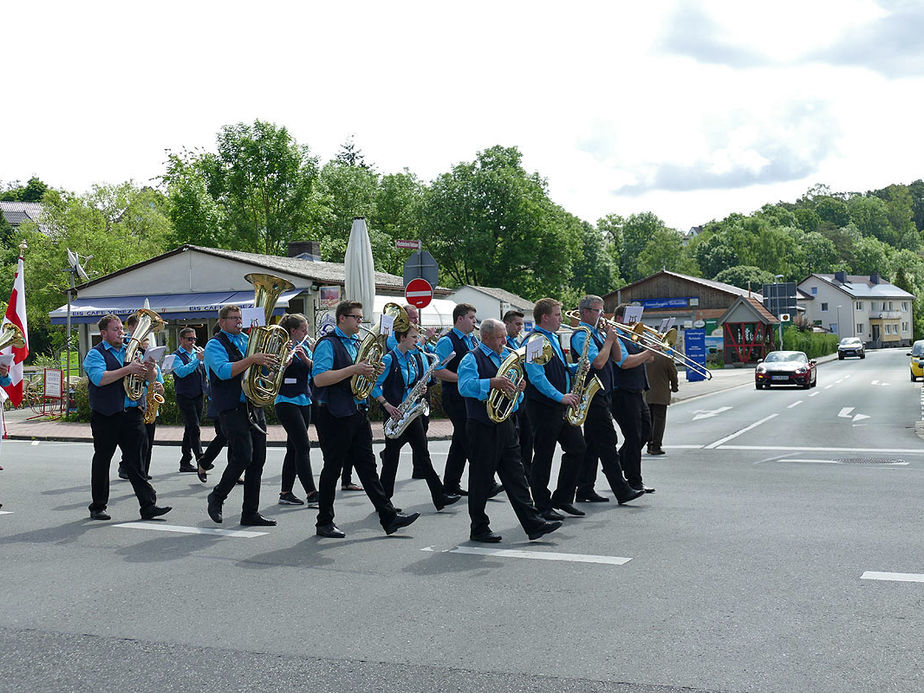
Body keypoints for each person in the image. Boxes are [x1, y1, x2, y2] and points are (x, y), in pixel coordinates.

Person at [311, 300, 419, 538]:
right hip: (333, 413)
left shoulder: (358, 343)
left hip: (357, 411)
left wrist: (373, 371)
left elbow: (362, 377)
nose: (361, 322)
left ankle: (388, 517)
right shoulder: (327, 344)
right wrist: (355, 370)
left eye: (361, 318)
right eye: (357, 318)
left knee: (368, 468)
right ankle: (324, 521)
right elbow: (319, 379)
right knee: (333, 468)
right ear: (342, 318)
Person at [457, 318, 562, 543]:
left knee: (517, 476)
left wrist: (520, 390)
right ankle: (479, 527)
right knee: (481, 479)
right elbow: (464, 387)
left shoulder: (507, 356)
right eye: (500, 337)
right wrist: (491, 383)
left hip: (505, 423)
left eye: (505, 336)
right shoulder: (471, 358)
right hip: (482, 426)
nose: (505, 341)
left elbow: (514, 396)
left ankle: (533, 524)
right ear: (485, 337)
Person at [83, 313, 170, 521]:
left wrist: (150, 373)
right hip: (107, 415)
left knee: (136, 462)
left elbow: (144, 378)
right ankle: (98, 506)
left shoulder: (132, 351)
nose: (121, 333)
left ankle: (148, 505)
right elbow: (99, 379)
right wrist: (127, 369)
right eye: (116, 330)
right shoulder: (95, 354)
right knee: (103, 460)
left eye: (122, 329)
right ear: (103, 333)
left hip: (132, 413)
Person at [372, 322, 460, 511]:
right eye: (413, 337)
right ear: (402, 338)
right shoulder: (388, 359)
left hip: (412, 413)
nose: (417, 341)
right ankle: (384, 502)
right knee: (392, 459)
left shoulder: (415, 357)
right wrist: (386, 404)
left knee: (423, 456)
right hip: (396, 414)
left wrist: (421, 388)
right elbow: (374, 385)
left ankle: (439, 496)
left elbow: (420, 380)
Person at [203, 304, 277, 526]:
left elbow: (259, 372)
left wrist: (275, 365)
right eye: (233, 318)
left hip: (253, 405)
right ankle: (217, 496)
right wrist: (252, 359)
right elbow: (224, 371)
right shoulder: (214, 344)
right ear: (222, 321)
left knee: (258, 461)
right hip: (231, 407)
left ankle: (250, 513)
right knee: (243, 456)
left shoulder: (246, 341)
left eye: (240, 318)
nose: (238, 321)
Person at [570, 296, 645, 505]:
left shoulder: (597, 333)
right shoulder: (581, 334)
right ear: (585, 312)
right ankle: (622, 490)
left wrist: (611, 336)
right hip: (593, 395)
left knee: (593, 444)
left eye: (603, 310)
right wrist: (609, 340)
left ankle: (584, 487)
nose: (602, 315)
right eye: (597, 311)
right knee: (608, 440)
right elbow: (599, 363)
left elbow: (616, 356)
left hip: (604, 393)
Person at [523, 298, 586, 520]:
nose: (561, 319)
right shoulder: (535, 341)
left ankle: (563, 498)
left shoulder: (552, 338)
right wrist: (561, 397)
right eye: (558, 315)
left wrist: (576, 366)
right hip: (544, 407)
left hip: (560, 405)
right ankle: (542, 504)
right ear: (545, 317)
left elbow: (556, 368)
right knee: (543, 456)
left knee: (578, 448)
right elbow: (536, 377)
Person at [434, 303, 481, 496]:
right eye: (471, 318)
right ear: (459, 319)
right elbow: (437, 370)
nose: (474, 321)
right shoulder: (447, 340)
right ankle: (486, 481)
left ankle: (451, 484)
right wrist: (462, 379)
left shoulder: (472, 340)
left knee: (460, 442)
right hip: (454, 397)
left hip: (467, 397)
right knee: (469, 439)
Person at [610, 304, 656, 494]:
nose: (635, 322)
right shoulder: (616, 337)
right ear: (619, 319)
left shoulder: (633, 335)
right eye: (631, 317)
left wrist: (650, 346)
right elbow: (625, 363)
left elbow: (650, 359)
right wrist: (647, 352)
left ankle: (619, 463)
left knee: (645, 432)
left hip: (637, 391)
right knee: (634, 436)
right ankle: (634, 481)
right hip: (622, 392)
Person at [273, 313, 318, 506]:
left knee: (293, 448)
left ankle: (285, 492)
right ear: (293, 331)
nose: (306, 333)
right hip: (285, 399)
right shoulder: (280, 347)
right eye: (303, 330)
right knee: (303, 445)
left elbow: (315, 371)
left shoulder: (305, 346)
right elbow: (271, 372)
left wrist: (307, 359)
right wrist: (285, 364)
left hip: (303, 399)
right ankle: (311, 493)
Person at [172, 327, 208, 474]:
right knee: (194, 427)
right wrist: (197, 360)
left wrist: (206, 360)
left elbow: (204, 371)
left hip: (198, 394)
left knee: (190, 428)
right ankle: (201, 458)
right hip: (184, 395)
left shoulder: (196, 353)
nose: (192, 342)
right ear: (181, 340)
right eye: (189, 339)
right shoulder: (175, 356)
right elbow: (181, 372)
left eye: (194, 339)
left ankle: (185, 461)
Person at [503, 309, 533, 476]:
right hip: (511, 396)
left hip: (522, 395)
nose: (520, 328)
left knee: (527, 437)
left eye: (521, 324)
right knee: (516, 439)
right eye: (517, 324)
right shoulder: (503, 344)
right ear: (507, 324)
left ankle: (526, 473)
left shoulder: (517, 343)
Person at [139, 338, 165, 480]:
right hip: (139, 407)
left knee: (149, 444)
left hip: (152, 409)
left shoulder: (157, 368)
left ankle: (145, 471)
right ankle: (137, 471)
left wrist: (160, 389)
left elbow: (161, 389)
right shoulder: (137, 367)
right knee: (140, 444)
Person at [645, 350, 678, 456]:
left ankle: (649, 445)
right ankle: (656, 446)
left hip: (645, 394)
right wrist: (674, 387)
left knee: (649, 420)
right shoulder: (666, 358)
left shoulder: (643, 356)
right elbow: (673, 374)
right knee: (659, 421)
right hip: (661, 395)